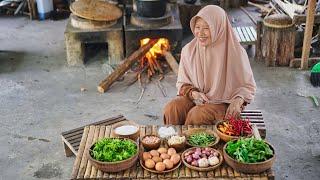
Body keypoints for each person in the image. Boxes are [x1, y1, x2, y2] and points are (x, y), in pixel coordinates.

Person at [163, 5, 256, 125]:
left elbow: (247, 87)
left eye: (206, 28)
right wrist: (193, 93)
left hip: (223, 102)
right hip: (197, 98)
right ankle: (174, 141)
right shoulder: (189, 50)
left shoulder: (235, 52)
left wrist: (238, 101)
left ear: (219, 28)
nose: (200, 33)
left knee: (197, 115)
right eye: (197, 27)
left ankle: (192, 143)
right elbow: (183, 84)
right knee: (172, 109)